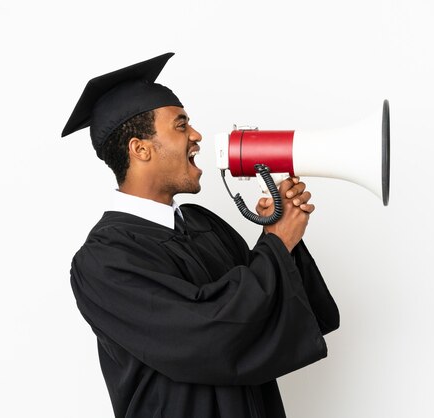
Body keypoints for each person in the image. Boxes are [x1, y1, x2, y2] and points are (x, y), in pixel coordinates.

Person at [62, 52, 340, 418]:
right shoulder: (103, 261)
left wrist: (284, 238)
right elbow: (207, 336)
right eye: (180, 126)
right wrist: (276, 243)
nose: (196, 136)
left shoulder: (202, 223)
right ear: (140, 148)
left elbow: (263, 311)